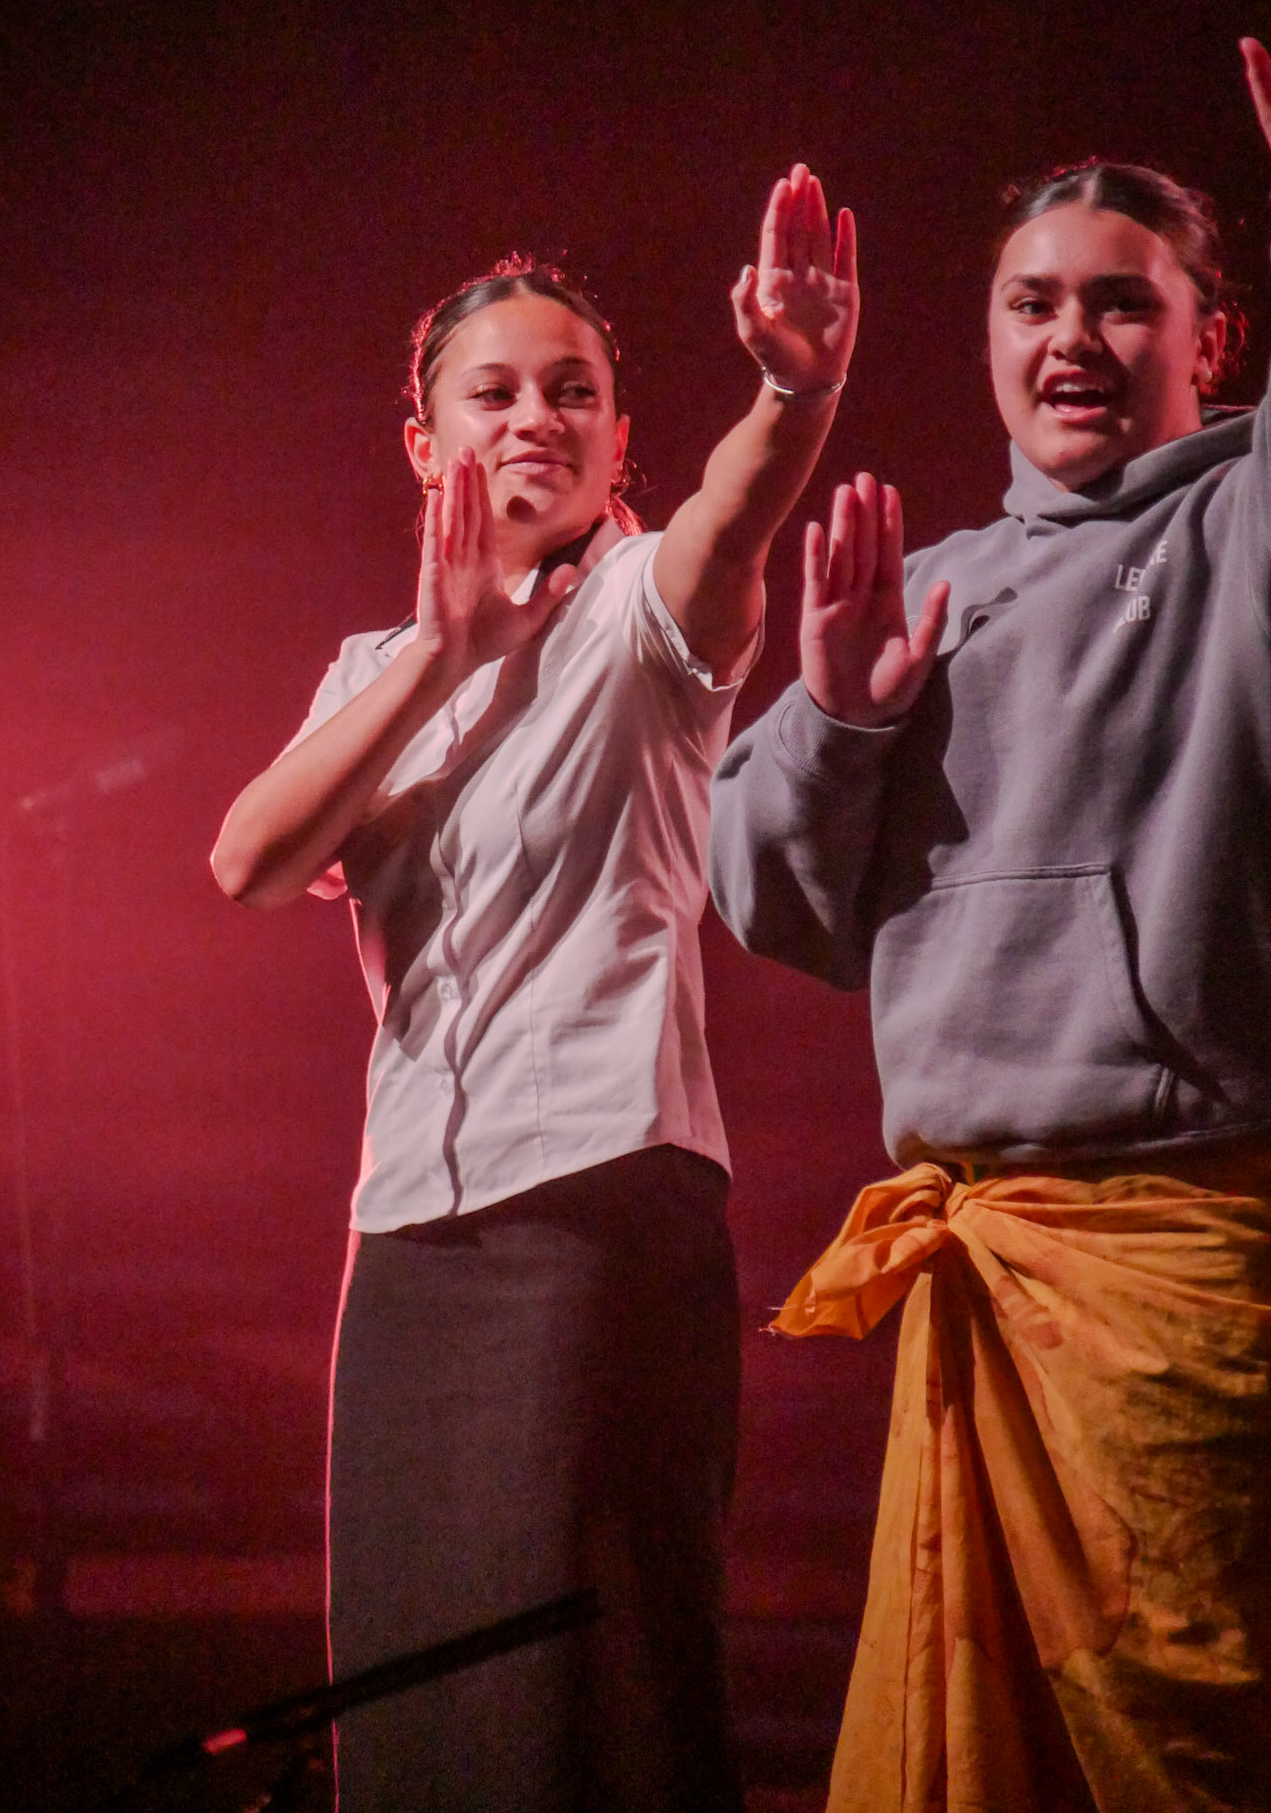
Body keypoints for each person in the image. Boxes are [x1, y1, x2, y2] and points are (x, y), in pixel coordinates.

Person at [210, 167, 858, 1811]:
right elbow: (250, 861)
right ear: (422, 444)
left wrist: (792, 392)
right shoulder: (375, 671)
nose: (534, 418)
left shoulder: (642, 611)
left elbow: (735, 514)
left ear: (618, 433)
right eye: (491, 393)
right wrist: (445, 649)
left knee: (581, 1698)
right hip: (410, 1234)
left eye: (572, 391)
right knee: (423, 1696)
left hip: (594, 1202)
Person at [708, 39, 1271, 1813]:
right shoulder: (926, 586)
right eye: (1032, 304)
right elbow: (759, 892)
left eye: (1121, 303)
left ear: (1209, 343)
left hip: (1187, 1277)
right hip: (985, 1272)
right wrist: (840, 712)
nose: (1070, 338)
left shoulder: (1240, 530)